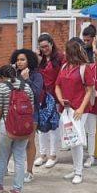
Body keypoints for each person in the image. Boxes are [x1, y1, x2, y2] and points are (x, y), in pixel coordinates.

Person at [0, 65, 34, 193]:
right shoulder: (26, 87)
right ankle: (17, 189)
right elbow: (31, 108)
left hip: (6, 125)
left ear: (1, 76)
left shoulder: (1, 88)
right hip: (24, 126)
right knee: (20, 157)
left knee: (3, 156)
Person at [54, 38, 95, 185]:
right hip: (66, 109)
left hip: (79, 109)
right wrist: (60, 99)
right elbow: (57, 85)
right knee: (71, 139)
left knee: (76, 140)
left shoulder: (84, 68)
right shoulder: (64, 67)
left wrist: (81, 108)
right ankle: (76, 168)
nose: (65, 53)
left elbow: (89, 90)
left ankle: (78, 172)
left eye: (67, 51)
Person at [11, 48, 43, 184]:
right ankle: (16, 169)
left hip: (31, 112)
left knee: (30, 141)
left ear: (29, 61)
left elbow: (36, 93)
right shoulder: (14, 74)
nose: (19, 62)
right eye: (17, 60)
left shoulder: (36, 76)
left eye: (22, 60)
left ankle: (29, 171)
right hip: (15, 112)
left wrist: (27, 79)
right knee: (13, 140)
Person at [35, 34, 63, 168]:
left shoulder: (60, 58)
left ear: (52, 44)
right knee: (41, 126)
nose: (44, 49)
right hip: (42, 96)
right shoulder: (40, 59)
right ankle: (42, 154)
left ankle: (53, 154)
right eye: (42, 47)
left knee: (53, 126)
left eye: (46, 46)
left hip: (55, 96)